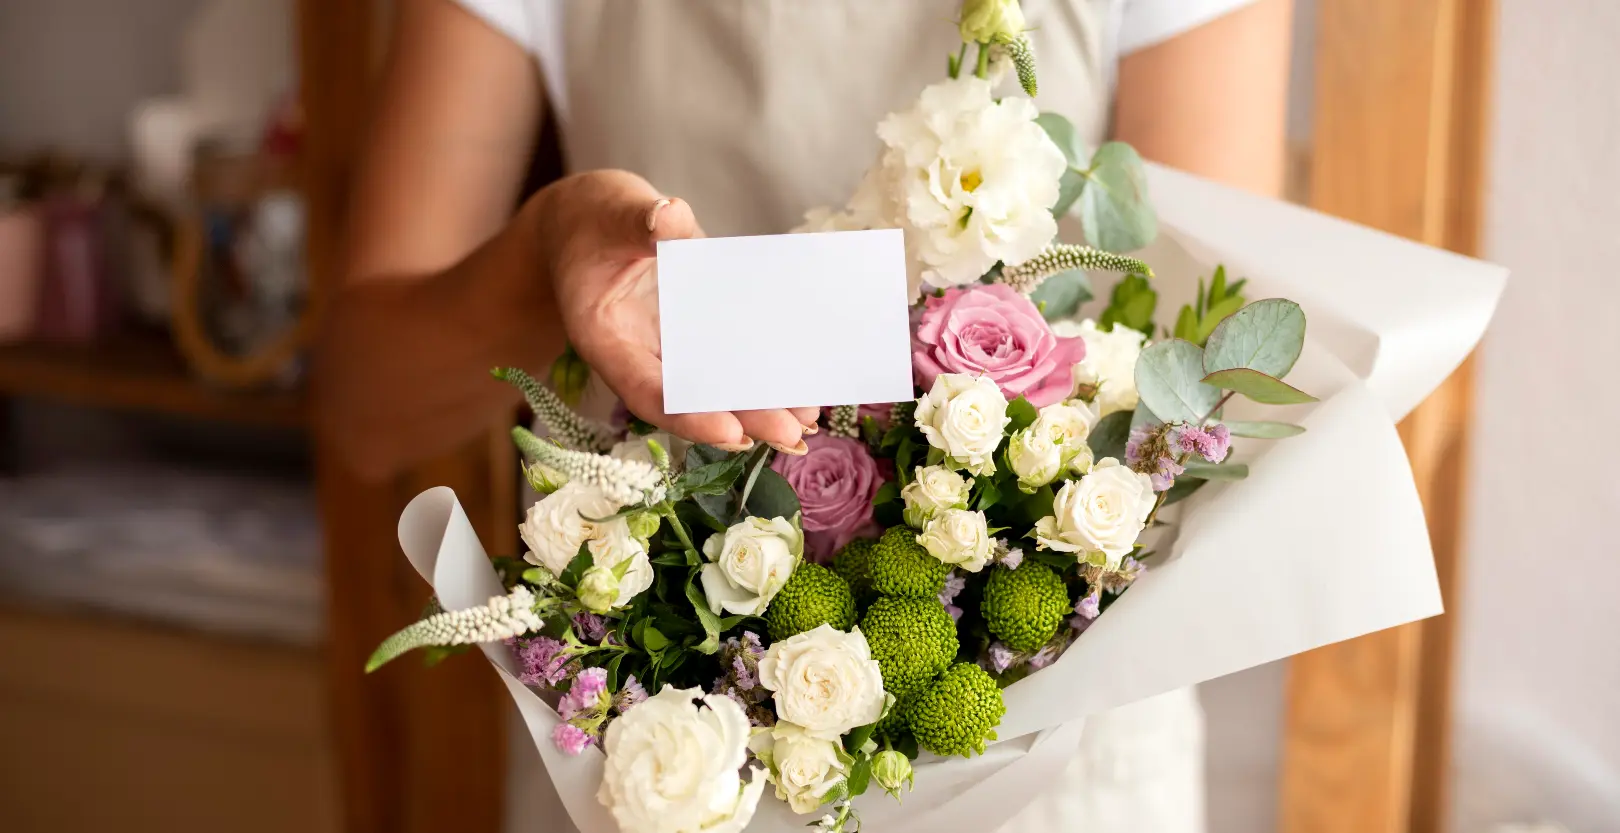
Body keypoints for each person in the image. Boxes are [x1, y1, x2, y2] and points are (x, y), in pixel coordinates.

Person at [319, 1, 1292, 830]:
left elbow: (1211, 389)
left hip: (1056, 736)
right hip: (652, 738)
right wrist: (546, 258)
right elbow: (369, 406)